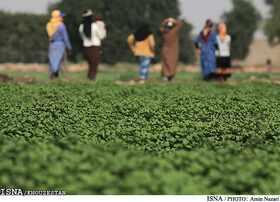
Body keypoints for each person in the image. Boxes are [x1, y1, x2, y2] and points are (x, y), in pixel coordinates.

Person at [46, 10, 72, 80]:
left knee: (53, 60)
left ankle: (54, 75)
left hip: (52, 44)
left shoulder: (49, 25)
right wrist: (69, 47)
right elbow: (65, 37)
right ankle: (64, 76)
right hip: (60, 44)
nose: (63, 19)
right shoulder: (61, 26)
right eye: (62, 17)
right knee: (62, 61)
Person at [79, 9, 104, 82]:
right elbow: (101, 36)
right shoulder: (95, 26)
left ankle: (89, 76)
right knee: (95, 62)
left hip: (86, 45)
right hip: (96, 45)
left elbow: (82, 37)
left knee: (90, 62)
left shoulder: (81, 27)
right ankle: (92, 76)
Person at [159, 17, 183, 82]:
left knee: (165, 64)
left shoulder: (164, 32)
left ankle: (165, 76)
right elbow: (180, 24)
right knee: (172, 64)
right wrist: (174, 20)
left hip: (165, 50)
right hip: (173, 51)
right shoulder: (174, 31)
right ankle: (169, 76)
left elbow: (161, 27)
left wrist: (166, 21)